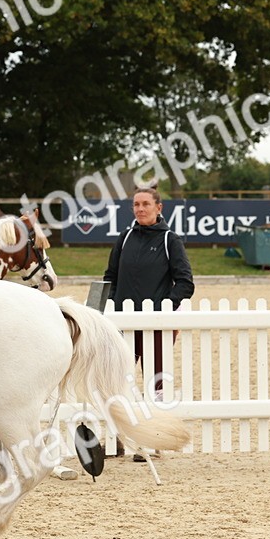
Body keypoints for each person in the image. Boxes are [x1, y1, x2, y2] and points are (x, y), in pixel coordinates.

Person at [102, 186, 195, 458]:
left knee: (156, 383)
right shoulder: (125, 237)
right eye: (136, 205)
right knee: (118, 382)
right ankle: (117, 440)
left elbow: (185, 283)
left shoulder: (170, 240)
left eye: (145, 204)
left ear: (158, 208)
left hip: (156, 327)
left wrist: (163, 308)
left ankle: (154, 441)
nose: (140, 209)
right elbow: (110, 276)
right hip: (123, 326)